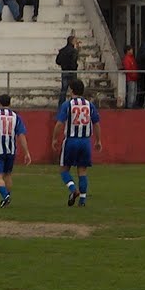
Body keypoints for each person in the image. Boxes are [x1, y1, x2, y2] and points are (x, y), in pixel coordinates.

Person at [54, 77, 99, 207]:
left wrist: (54, 138)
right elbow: (96, 123)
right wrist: (98, 140)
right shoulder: (89, 105)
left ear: (71, 90)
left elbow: (59, 123)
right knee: (82, 171)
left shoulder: (67, 105)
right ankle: (82, 201)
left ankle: (74, 190)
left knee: (64, 170)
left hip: (71, 141)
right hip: (85, 141)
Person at [121, 44, 140, 109]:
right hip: (130, 78)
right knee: (131, 92)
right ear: (128, 51)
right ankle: (130, 105)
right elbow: (128, 68)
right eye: (131, 50)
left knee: (134, 92)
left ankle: (133, 104)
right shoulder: (127, 59)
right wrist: (133, 75)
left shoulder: (132, 58)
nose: (132, 51)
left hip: (134, 77)